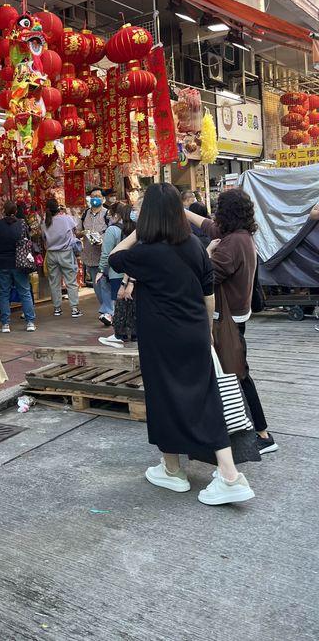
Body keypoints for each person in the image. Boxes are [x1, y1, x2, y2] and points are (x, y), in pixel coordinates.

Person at [108, 183, 255, 506]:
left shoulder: (145, 253)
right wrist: (206, 333)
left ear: (149, 216)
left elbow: (115, 258)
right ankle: (213, 471)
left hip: (159, 338)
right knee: (205, 397)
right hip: (194, 333)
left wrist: (138, 230)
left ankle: (182, 471)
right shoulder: (194, 245)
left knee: (163, 398)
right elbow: (208, 298)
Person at [185, 189, 277, 455]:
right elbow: (209, 226)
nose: (214, 213)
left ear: (227, 213)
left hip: (227, 320)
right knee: (233, 373)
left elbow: (208, 278)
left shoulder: (232, 243)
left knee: (238, 374)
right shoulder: (241, 236)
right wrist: (184, 212)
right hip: (236, 316)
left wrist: (205, 252)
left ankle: (262, 433)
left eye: (218, 209)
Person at [0, 202, 36, 333]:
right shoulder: (22, 224)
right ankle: (30, 322)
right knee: (25, 292)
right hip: (20, 262)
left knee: (4, 293)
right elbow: (28, 240)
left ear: (3, 211)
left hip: (2, 263)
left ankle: (5, 324)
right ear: (16, 211)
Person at [96, 203, 135, 348]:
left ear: (116, 215)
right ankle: (133, 334)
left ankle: (120, 334)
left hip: (116, 272)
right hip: (132, 273)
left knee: (119, 304)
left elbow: (106, 253)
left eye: (110, 214)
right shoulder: (134, 228)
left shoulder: (112, 230)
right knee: (131, 304)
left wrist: (101, 269)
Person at [40, 199, 82, 319]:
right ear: (58, 208)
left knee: (54, 283)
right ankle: (74, 308)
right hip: (66, 253)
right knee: (71, 281)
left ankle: (57, 308)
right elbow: (76, 231)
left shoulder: (44, 222)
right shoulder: (67, 218)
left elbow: (44, 239)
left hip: (51, 254)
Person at [76, 188, 112, 326]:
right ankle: (106, 311)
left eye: (97, 196)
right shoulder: (85, 214)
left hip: (103, 255)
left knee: (104, 284)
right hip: (89, 256)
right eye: (92, 196)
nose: (95, 198)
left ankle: (108, 311)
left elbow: (113, 231)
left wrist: (101, 238)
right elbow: (78, 231)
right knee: (97, 287)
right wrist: (82, 233)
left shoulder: (108, 214)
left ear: (103, 199)